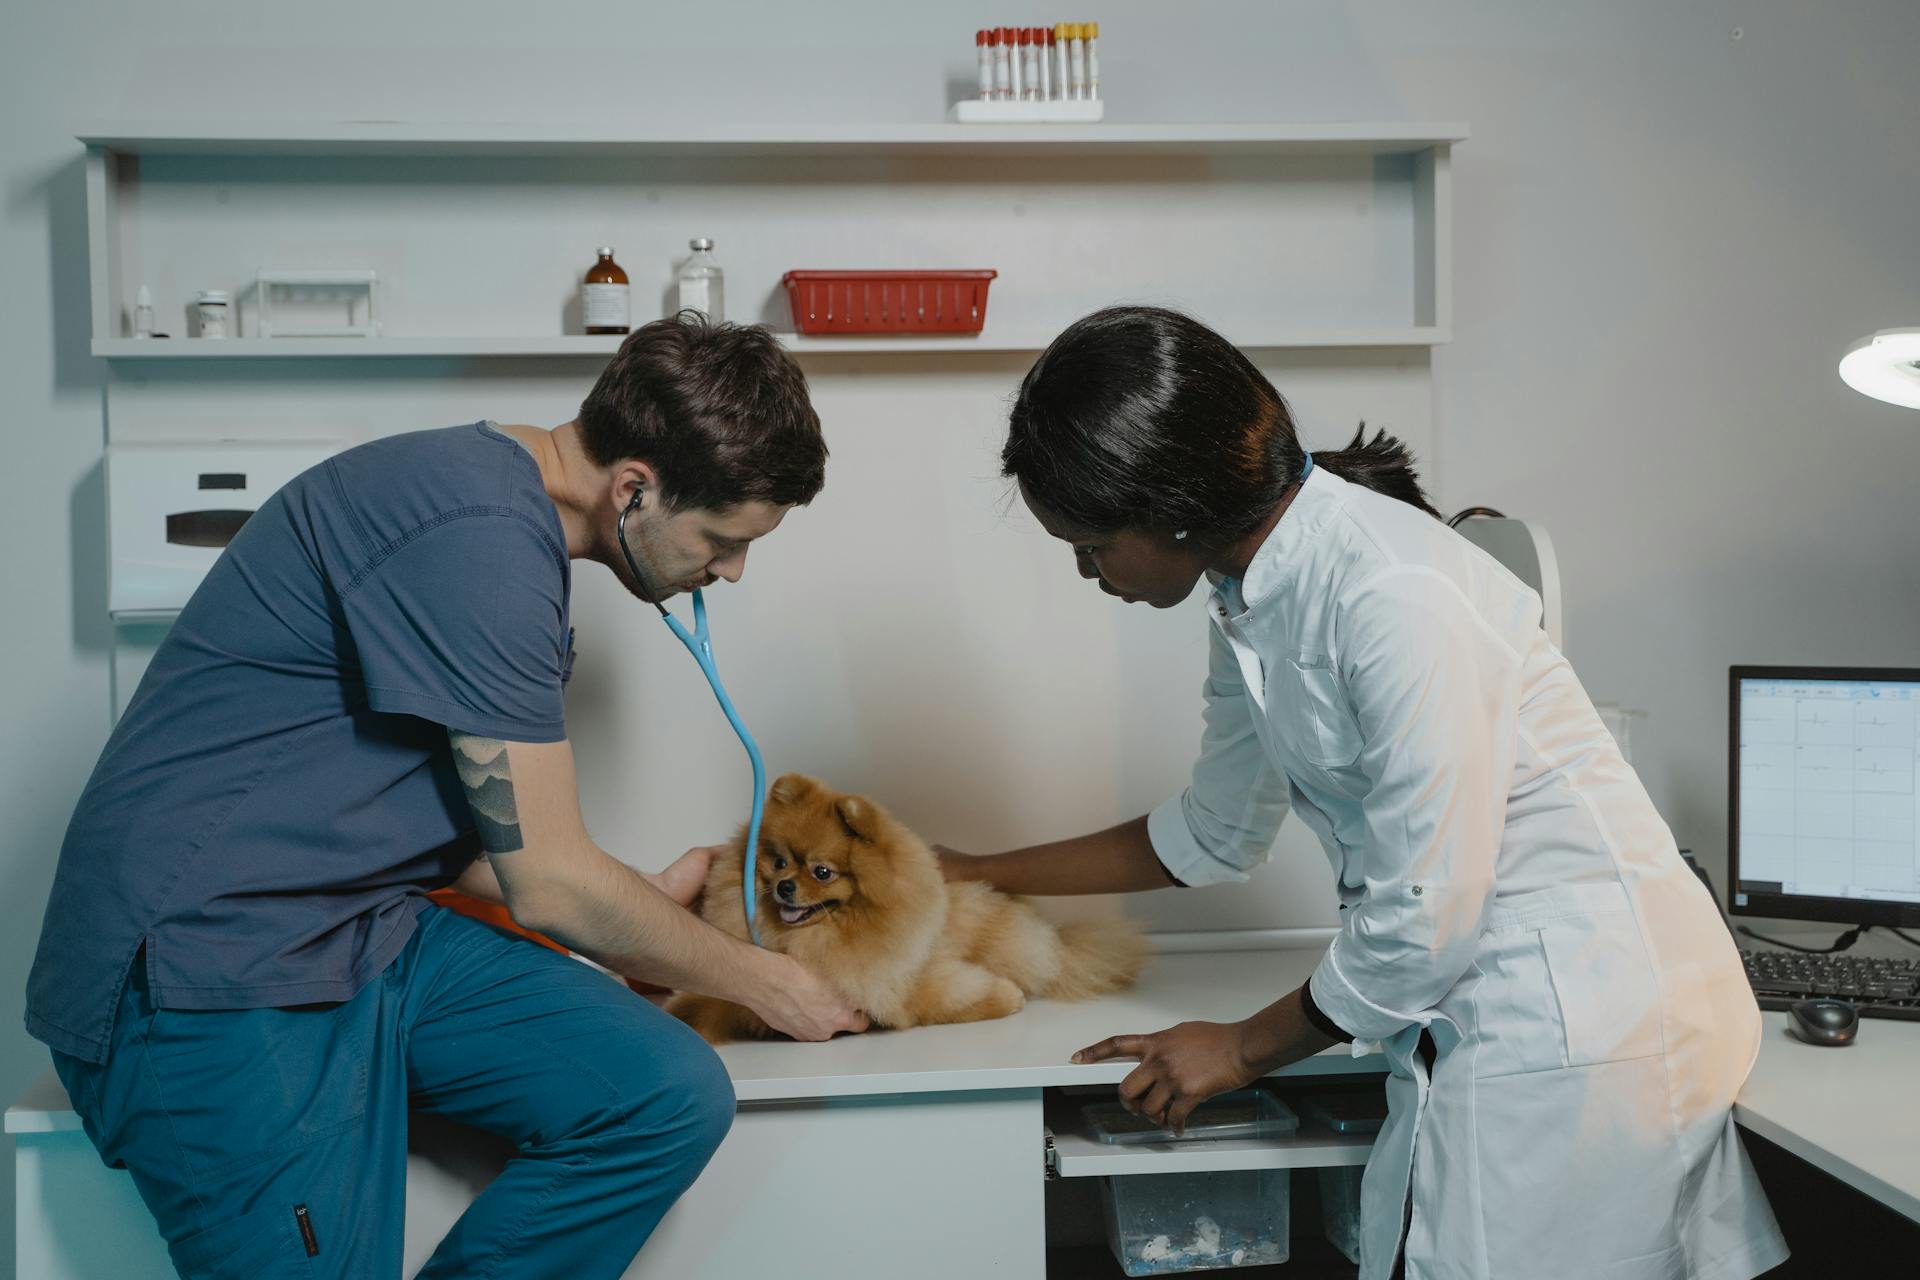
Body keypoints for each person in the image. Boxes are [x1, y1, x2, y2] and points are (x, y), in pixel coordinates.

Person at [940, 306, 1789, 1280]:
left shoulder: (1396, 592)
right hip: (1480, 1009)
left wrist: (1244, 1048)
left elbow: (1425, 918)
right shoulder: (1248, 594)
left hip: (1583, 1019)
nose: (1089, 571)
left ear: (1172, 506)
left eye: (1091, 543)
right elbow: (1211, 833)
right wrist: (967, 870)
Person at [25, 315, 866, 1279]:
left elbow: (474, 827)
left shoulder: (498, 519)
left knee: (663, 1093)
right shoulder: (481, 540)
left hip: (360, 930)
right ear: (634, 487)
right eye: (722, 538)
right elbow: (551, 884)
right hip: (206, 968)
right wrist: (771, 983)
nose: (730, 571)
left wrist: (632, 906)